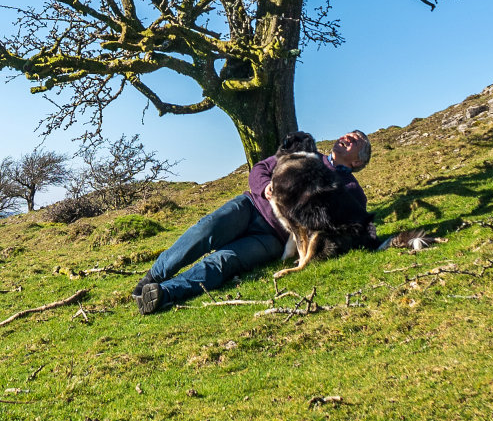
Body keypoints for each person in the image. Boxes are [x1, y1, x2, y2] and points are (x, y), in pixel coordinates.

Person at [134, 130, 372, 314]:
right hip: (250, 206)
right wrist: (264, 186)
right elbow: (261, 168)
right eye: (348, 133)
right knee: (205, 230)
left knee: (224, 261)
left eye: (357, 139)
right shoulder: (304, 153)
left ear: (358, 163)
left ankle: (163, 293)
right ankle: (154, 276)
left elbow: (344, 225)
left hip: (273, 237)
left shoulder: (352, 191)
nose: (349, 136)